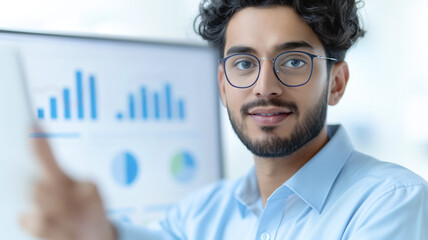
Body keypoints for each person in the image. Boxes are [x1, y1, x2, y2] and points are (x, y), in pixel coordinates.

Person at [21, 0, 428, 239]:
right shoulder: (197, 216)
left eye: (292, 61)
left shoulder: (392, 202)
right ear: (221, 83)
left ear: (336, 83)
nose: (264, 86)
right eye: (243, 63)